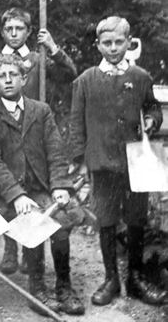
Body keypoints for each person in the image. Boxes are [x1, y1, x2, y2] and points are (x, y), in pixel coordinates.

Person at [0, 54, 85, 316]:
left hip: (42, 188)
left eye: (13, 75)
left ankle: (63, 285)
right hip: (8, 194)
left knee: (59, 222)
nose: (8, 80)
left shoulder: (41, 110)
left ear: (24, 79)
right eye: (2, 77)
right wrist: (16, 195)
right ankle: (37, 288)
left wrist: (59, 185)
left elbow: (55, 151)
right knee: (31, 221)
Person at [69, 16, 166, 307]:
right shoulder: (85, 81)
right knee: (107, 219)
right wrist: (80, 161)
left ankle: (135, 278)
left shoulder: (141, 77)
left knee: (137, 218)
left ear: (129, 42)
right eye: (107, 43)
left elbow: (152, 107)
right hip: (102, 162)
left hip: (137, 162)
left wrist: (151, 119)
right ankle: (111, 278)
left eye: (118, 42)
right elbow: (76, 125)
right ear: (98, 45)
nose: (113, 48)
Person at [0, 7, 77, 274]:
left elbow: (70, 76)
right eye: (8, 29)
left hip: (34, 129)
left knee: (35, 191)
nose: (13, 34)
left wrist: (54, 48)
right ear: (2, 31)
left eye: (19, 29)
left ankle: (31, 253)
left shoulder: (39, 58)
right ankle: (11, 248)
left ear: (29, 31)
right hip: (4, 133)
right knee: (9, 192)